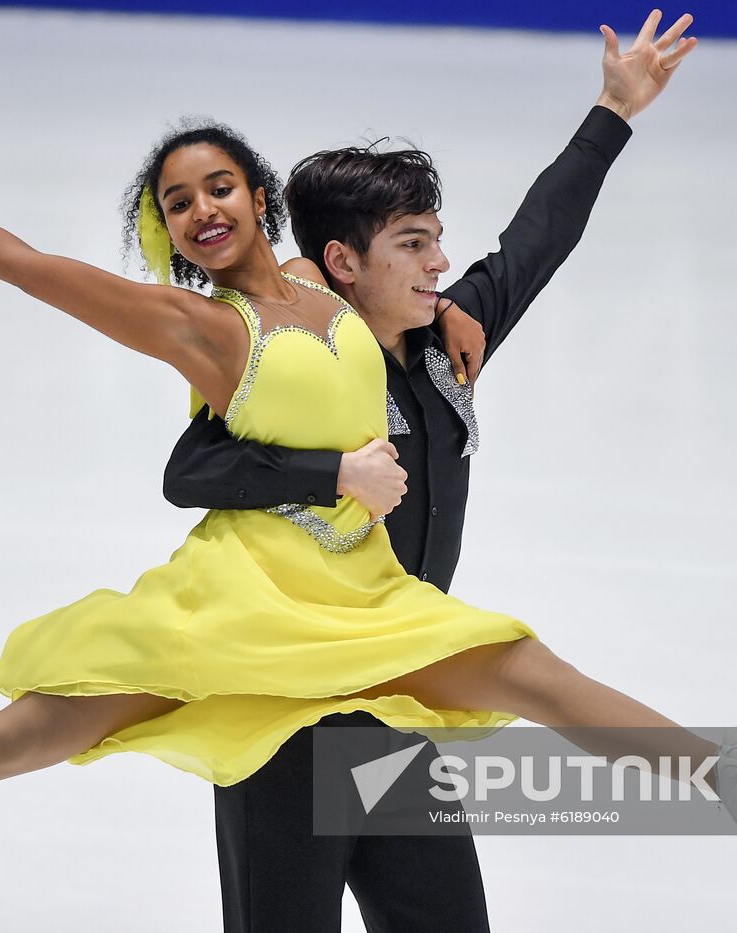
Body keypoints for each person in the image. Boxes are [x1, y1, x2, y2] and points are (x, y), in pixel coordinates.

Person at [0, 10, 737, 906]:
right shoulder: (226, 322)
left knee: (531, 672)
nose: (204, 206)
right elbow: (64, 307)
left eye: (223, 182)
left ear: (257, 194)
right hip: (249, 608)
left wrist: (609, 114)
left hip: (368, 618)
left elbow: (534, 238)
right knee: (29, 731)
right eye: (179, 196)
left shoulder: (401, 314)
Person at [164, 52, 642, 933]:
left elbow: (538, 238)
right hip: (288, 723)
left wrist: (613, 109)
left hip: (399, 710)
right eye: (413, 245)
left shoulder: (443, 341)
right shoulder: (295, 371)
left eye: (434, 238)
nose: (440, 263)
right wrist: (332, 471)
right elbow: (187, 472)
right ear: (344, 261)